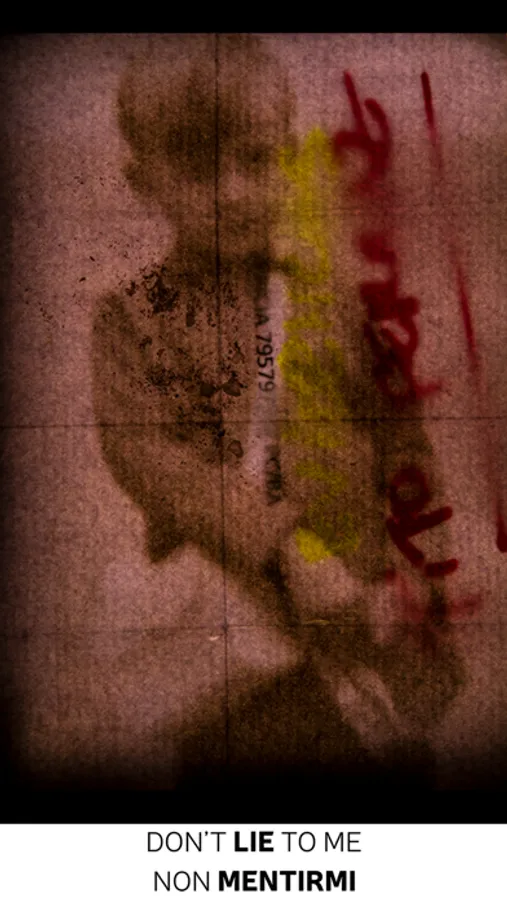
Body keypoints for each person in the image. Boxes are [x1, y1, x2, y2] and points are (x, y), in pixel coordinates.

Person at [92, 34, 506, 790]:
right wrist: (287, 554)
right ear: (143, 180)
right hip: (245, 636)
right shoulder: (134, 319)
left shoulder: (334, 297)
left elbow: (402, 446)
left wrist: (421, 575)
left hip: (367, 613)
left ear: (286, 155)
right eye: (198, 170)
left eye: (255, 160)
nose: (232, 192)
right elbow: (158, 461)